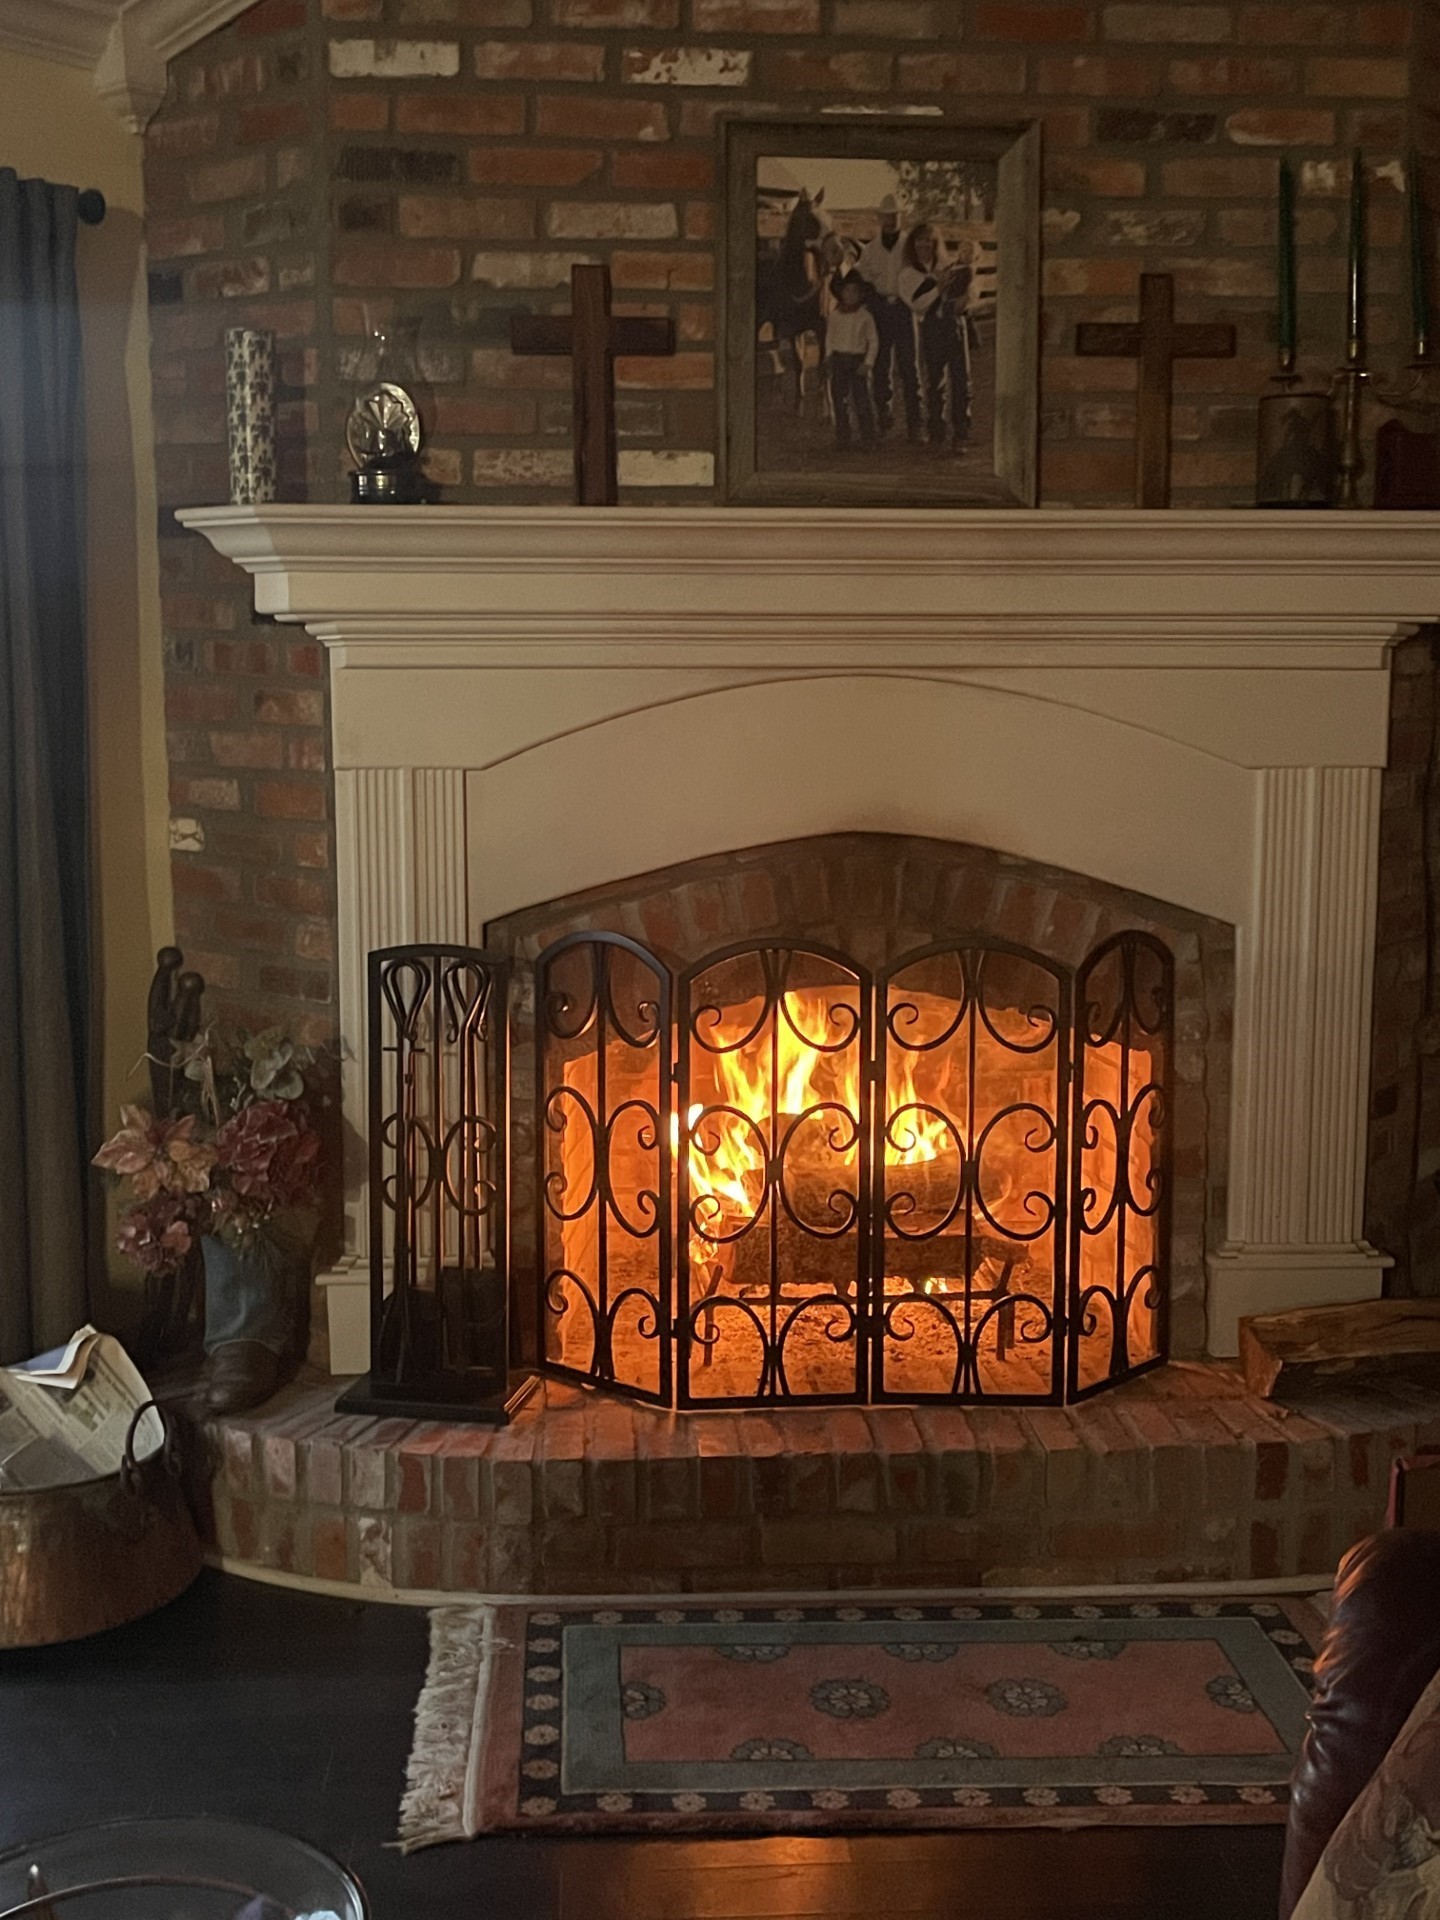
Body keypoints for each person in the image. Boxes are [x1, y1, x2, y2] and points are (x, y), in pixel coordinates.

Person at [899, 223, 974, 452]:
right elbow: (918, 305)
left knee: (962, 381)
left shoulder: (947, 264)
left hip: (954, 325)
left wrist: (968, 297)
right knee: (935, 383)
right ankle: (937, 434)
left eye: (929, 240)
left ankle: (961, 434)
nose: (925, 245)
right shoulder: (908, 274)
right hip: (932, 328)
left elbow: (970, 282)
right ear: (913, 244)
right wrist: (938, 288)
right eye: (920, 240)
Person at [857, 193, 921, 442]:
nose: (890, 220)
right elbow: (864, 280)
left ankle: (915, 425)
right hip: (880, 309)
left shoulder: (909, 245)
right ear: (879, 218)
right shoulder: (871, 249)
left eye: (894, 216)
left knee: (909, 367)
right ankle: (884, 419)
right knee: (881, 366)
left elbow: (919, 275)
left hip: (904, 309)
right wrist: (873, 302)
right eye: (886, 216)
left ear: (900, 217)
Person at [823, 273, 879, 452]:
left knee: (862, 401)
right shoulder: (835, 316)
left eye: (855, 291)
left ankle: (868, 438)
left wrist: (868, 363)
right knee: (840, 401)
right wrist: (829, 356)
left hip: (857, 361)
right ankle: (843, 437)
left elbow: (874, 341)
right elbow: (830, 338)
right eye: (847, 290)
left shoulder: (866, 316)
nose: (851, 294)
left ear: (861, 294)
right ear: (841, 293)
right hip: (839, 360)